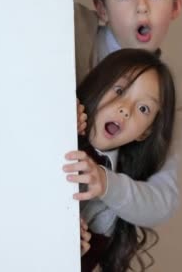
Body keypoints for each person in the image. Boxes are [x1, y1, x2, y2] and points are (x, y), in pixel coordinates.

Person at [65, 0, 182, 230]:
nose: (141, 6)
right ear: (102, 8)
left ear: (176, 7)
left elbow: (163, 200)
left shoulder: (163, 97)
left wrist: (107, 184)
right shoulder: (78, 32)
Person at [65, 48, 176, 271]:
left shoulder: (109, 207)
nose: (126, 110)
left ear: (145, 132)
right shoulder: (67, 114)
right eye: (120, 90)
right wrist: (59, 120)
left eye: (143, 108)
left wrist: (72, 252)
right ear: (99, 83)